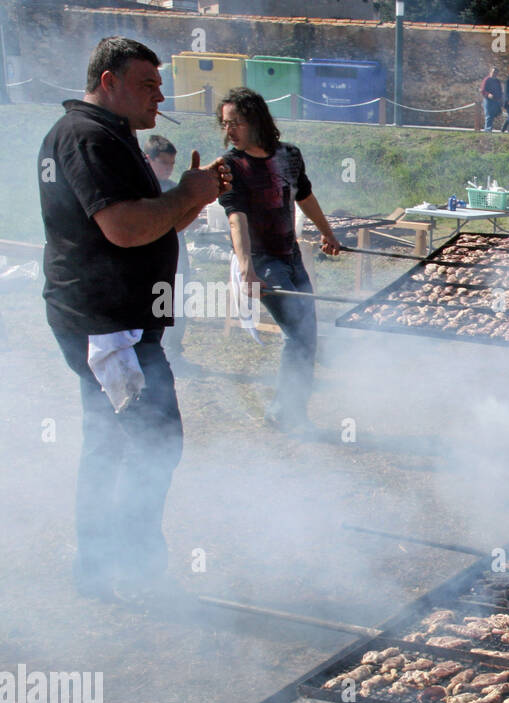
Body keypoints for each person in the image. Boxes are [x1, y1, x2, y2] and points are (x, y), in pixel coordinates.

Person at [39, 36, 228, 603]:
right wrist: (187, 193)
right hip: (107, 323)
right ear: (108, 82)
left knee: (112, 443)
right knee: (152, 442)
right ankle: (135, 566)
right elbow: (124, 228)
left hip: (111, 319)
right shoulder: (89, 137)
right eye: (148, 83)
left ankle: (100, 565)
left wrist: (195, 197)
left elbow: (152, 226)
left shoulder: (109, 137)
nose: (160, 93)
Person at [219, 87, 341, 434]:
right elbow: (235, 216)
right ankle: (288, 413)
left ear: (255, 121)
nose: (229, 131)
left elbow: (304, 195)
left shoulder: (289, 155)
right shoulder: (232, 165)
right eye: (225, 124)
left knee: (307, 336)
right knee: (298, 334)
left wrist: (327, 233)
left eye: (235, 123)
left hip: (291, 258)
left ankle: (286, 410)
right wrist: (246, 268)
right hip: (262, 262)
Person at [143, 134, 193, 366]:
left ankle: (173, 352)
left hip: (177, 258)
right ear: (148, 159)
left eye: (172, 163)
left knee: (179, 305)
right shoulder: (140, 189)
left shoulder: (174, 188)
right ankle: (158, 356)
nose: (169, 168)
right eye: (164, 163)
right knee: (156, 309)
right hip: (152, 262)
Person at [480, 67, 502, 132]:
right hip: (488, 100)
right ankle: (487, 130)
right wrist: (488, 94)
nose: (494, 73)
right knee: (488, 115)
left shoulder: (497, 81)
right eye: (493, 72)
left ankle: (490, 128)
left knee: (492, 115)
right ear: (490, 72)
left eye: (496, 72)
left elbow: (500, 91)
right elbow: (482, 90)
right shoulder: (487, 79)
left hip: (495, 101)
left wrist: (500, 99)